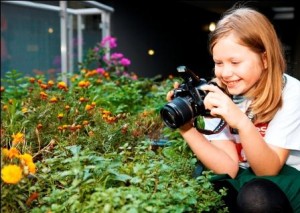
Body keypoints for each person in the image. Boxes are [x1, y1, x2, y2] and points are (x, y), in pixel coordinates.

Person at [166, 5, 300, 213]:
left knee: (255, 196)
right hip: (246, 179)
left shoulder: (291, 93)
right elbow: (228, 168)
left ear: (265, 59)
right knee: (209, 190)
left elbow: (268, 169)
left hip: (285, 182)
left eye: (235, 62)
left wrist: (240, 122)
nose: (226, 72)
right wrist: (186, 128)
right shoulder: (217, 93)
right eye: (219, 62)